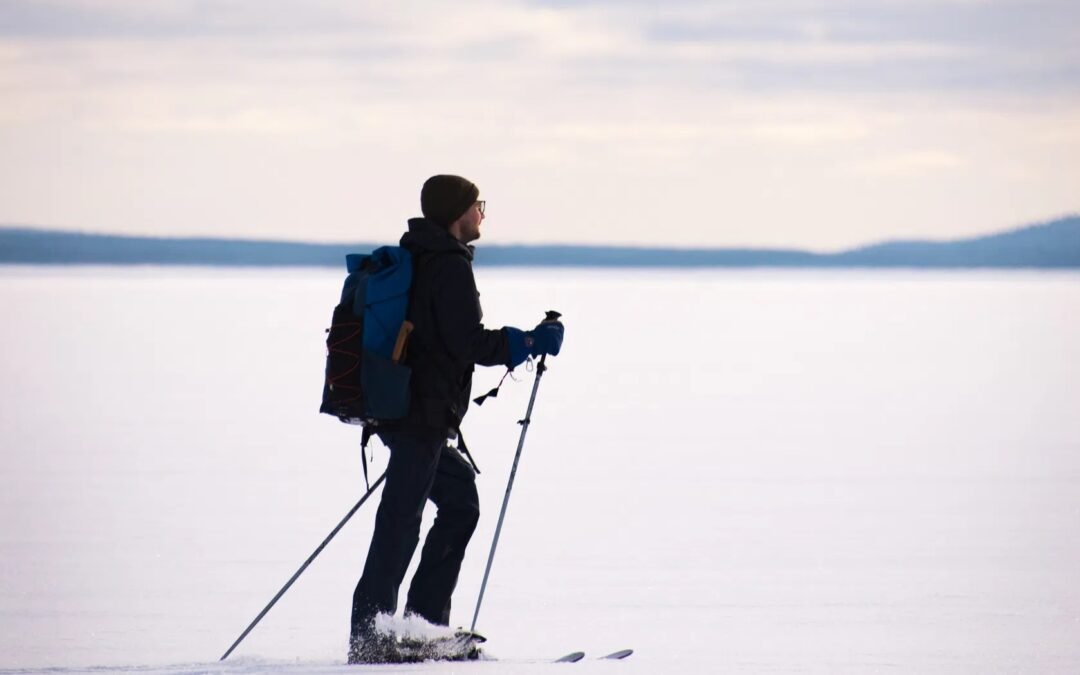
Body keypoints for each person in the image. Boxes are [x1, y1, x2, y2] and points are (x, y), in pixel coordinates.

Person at [348, 174, 564, 664]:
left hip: (408, 412)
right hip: (419, 415)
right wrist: (528, 341)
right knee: (400, 523)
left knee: (459, 500)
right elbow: (466, 341)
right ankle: (372, 637)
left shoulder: (423, 255)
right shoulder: (446, 265)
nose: (482, 213)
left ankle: (421, 624)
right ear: (456, 213)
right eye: (476, 205)